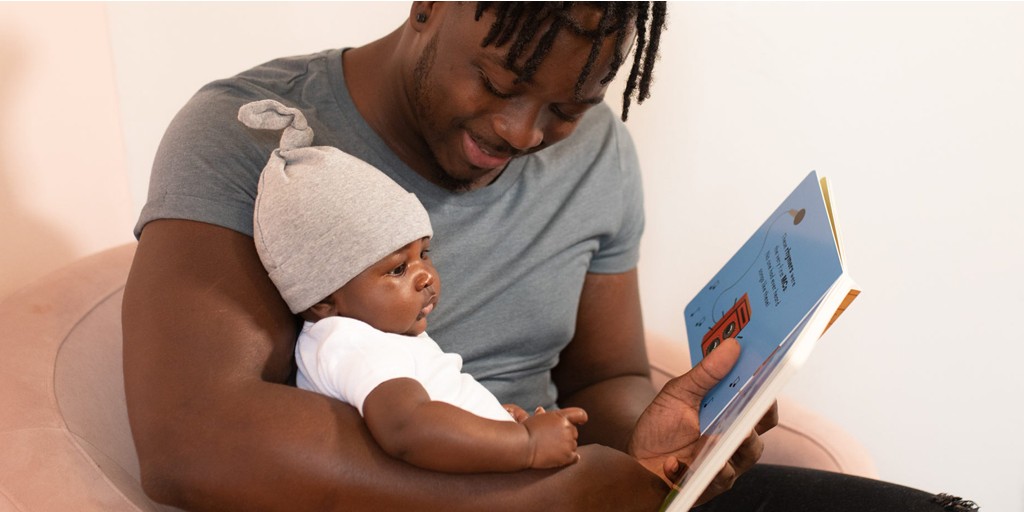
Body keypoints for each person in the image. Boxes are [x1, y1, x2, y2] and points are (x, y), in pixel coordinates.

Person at [123, 3, 964, 511]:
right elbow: (191, 441)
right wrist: (532, 498)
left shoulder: (597, 153)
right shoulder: (249, 133)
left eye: (569, 103)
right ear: (428, 4)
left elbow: (602, 384)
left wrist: (669, 432)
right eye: (496, 83)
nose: (523, 133)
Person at [239, 98, 590, 473]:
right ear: (323, 300)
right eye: (397, 270)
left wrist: (493, 421)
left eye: (424, 252)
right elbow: (409, 429)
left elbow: (435, 411)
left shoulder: (381, 337)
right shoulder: (349, 343)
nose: (424, 275)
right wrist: (526, 444)